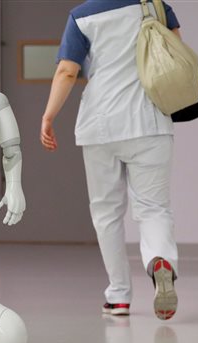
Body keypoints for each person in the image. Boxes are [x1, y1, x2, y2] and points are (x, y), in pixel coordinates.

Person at [40, 0, 181, 320]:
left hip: (100, 125)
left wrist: (48, 116)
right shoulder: (158, 6)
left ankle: (118, 296)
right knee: (153, 207)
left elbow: (67, 70)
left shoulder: (81, 16)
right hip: (151, 122)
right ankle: (161, 262)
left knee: (106, 212)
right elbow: (174, 53)